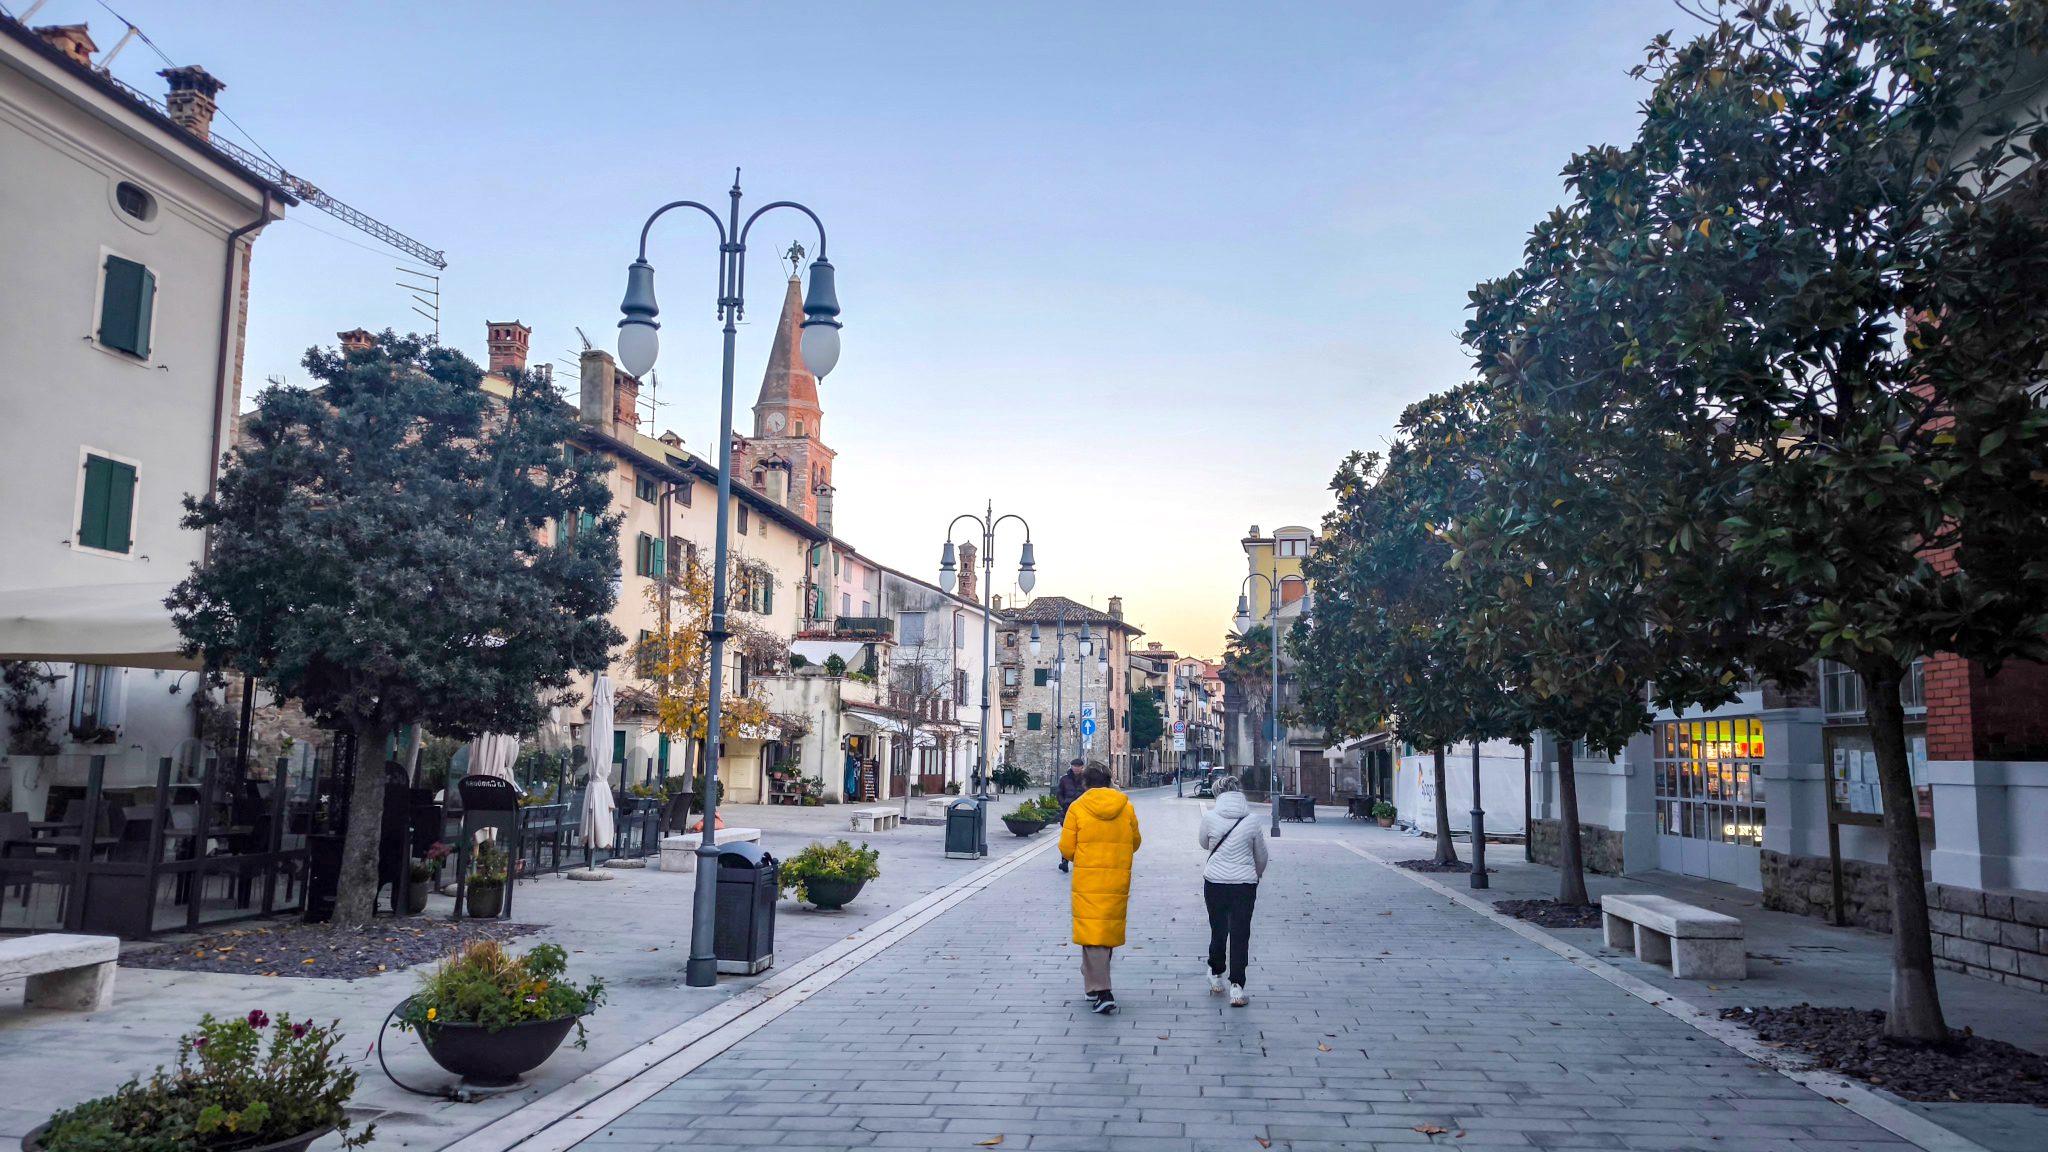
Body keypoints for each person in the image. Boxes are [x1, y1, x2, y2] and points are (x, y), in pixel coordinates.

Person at [1060, 766, 1140, 1014]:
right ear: (1109, 782)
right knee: (1105, 929)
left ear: (1085, 784)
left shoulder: (1078, 808)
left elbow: (1066, 847)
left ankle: (1103, 991)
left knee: (1093, 932)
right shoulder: (1125, 806)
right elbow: (1135, 841)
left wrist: (1084, 856)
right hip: (1116, 877)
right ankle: (1092, 985)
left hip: (1089, 878)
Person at [1198, 776, 1268, 1007]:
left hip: (1215, 881)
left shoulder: (1209, 817)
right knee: (1240, 933)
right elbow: (1261, 855)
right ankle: (1237, 987)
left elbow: (1204, 844)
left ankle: (1215, 972)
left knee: (1218, 928)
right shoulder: (1252, 820)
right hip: (1244, 885)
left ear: (1218, 794)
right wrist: (1255, 874)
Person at [1052, 757, 1088, 872]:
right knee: (1067, 838)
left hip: (1083, 813)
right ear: (1071, 766)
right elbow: (1059, 793)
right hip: (1067, 812)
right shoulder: (1065, 779)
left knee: (1081, 838)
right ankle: (1064, 861)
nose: (1076, 768)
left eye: (1078, 766)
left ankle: (1080, 860)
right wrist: (1063, 803)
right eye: (1074, 766)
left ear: (1082, 767)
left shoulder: (1086, 780)